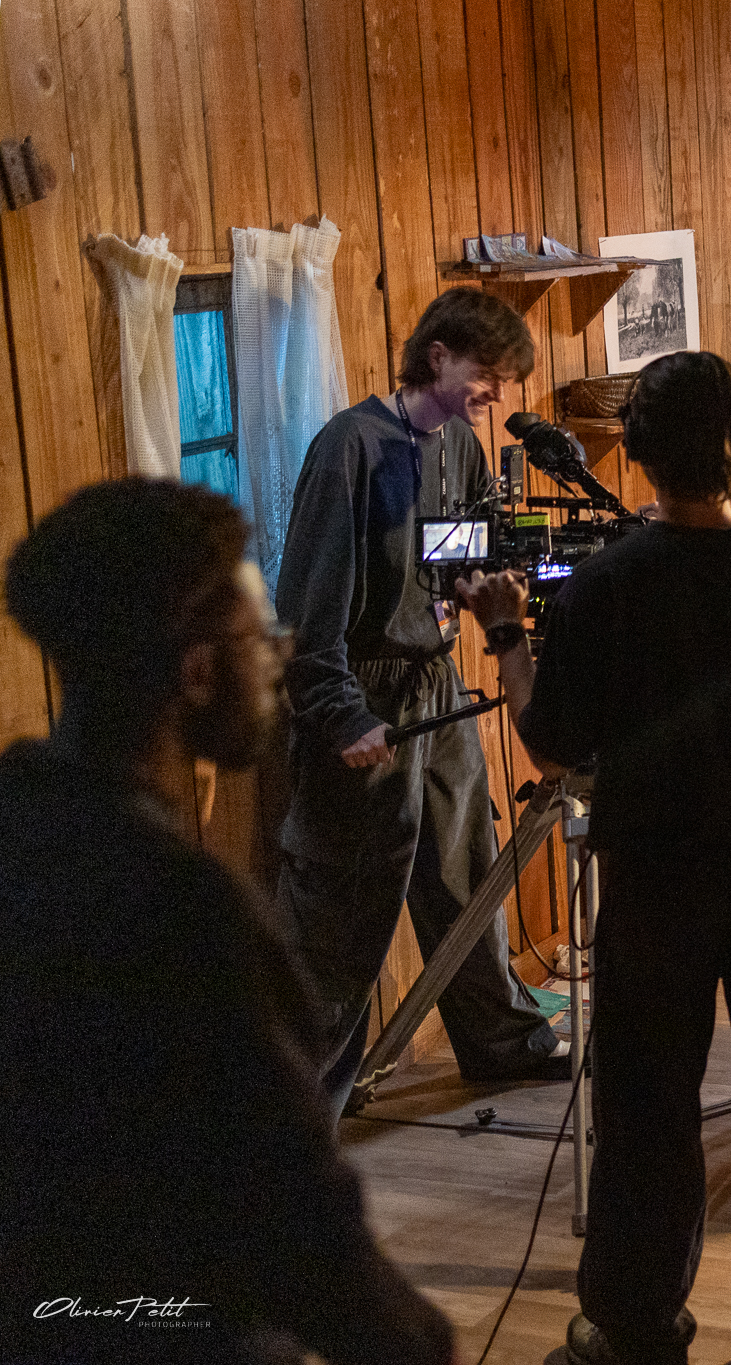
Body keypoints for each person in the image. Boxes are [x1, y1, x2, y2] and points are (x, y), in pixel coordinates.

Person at [458, 351, 731, 1365]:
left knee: (646, 1121)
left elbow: (552, 747)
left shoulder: (603, 587)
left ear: (640, 451)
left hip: (655, 893)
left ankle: (637, 1330)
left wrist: (507, 634)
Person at [2, 480, 453, 1365]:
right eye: (262, 638)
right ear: (199, 671)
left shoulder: (24, 829)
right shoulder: (187, 911)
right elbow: (301, 1226)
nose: (279, 659)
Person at [274, 287, 566, 1117]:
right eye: (487, 375)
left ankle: (502, 1041)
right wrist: (342, 715)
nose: (497, 396)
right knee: (341, 913)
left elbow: (455, 558)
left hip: (436, 687)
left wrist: (487, 592)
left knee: (465, 873)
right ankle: (293, 1110)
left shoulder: (461, 446)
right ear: (438, 356)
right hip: (362, 696)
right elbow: (306, 615)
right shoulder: (349, 449)